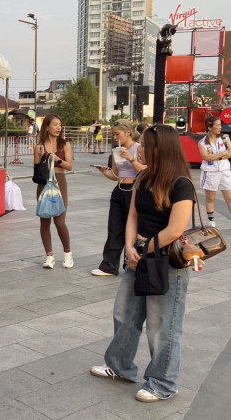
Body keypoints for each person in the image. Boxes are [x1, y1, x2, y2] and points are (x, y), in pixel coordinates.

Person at [90, 124, 194, 403]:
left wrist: (143, 249)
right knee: (125, 313)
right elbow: (133, 215)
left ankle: (163, 382)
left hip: (166, 260)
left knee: (162, 325)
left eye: (146, 145)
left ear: (161, 149)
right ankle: (120, 365)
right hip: (138, 255)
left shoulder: (181, 183)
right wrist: (129, 247)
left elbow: (175, 229)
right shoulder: (144, 177)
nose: (140, 149)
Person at [91, 120, 146, 276]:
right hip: (119, 190)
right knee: (114, 228)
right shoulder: (116, 150)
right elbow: (116, 175)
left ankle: (131, 263)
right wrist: (105, 172)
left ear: (128, 133)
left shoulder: (139, 148)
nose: (115, 137)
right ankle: (109, 266)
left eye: (117, 134)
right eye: (113, 134)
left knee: (133, 228)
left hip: (134, 190)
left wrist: (131, 159)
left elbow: (145, 170)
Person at [33, 114, 74, 269]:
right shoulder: (39, 147)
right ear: (47, 127)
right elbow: (36, 171)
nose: (58, 128)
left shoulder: (65, 144)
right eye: (55, 124)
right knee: (44, 220)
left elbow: (70, 166)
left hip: (60, 182)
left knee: (59, 221)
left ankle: (67, 253)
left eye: (60, 125)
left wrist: (56, 159)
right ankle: (49, 256)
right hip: (44, 184)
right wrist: (42, 159)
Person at [198, 116, 231, 227]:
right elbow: (206, 157)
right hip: (210, 173)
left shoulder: (225, 138)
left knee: (229, 198)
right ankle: (211, 222)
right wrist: (222, 154)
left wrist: (217, 157)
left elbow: (230, 153)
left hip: (225, 171)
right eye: (217, 125)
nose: (220, 127)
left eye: (220, 125)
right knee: (210, 198)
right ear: (210, 127)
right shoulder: (203, 142)